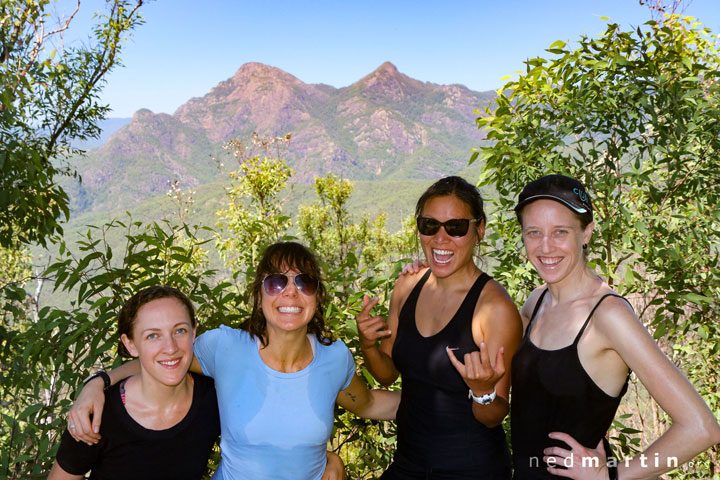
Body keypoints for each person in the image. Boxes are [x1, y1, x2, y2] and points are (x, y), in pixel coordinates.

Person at [66, 241, 399, 480]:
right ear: (258, 294)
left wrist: (444, 399)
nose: (290, 293)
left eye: (304, 282)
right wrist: (97, 383)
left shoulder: (333, 358)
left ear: (317, 296)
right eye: (276, 282)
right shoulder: (225, 347)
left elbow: (370, 404)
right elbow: (164, 358)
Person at [510, 174, 720, 479]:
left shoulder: (608, 315)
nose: (545, 246)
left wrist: (610, 475)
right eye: (533, 232)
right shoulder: (537, 301)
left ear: (586, 233)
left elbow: (702, 428)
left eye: (560, 232)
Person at [356, 176, 523, 479]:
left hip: (471, 469)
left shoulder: (494, 310)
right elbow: (388, 372)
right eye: (429, 226)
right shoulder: (407, 286)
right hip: (409, 463)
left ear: (479, 230)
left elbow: (495, 414)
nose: (440, 238)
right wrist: (368, 345)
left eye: (456, 227)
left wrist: (482, 391)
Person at [49, 286, 220, 479]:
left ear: (193, 332)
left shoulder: (214, 398)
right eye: (153, 336)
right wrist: (97, 382)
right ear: (130, 344)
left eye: (179, 330)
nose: (170, 348)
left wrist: (100, 380)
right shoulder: (99, 414)